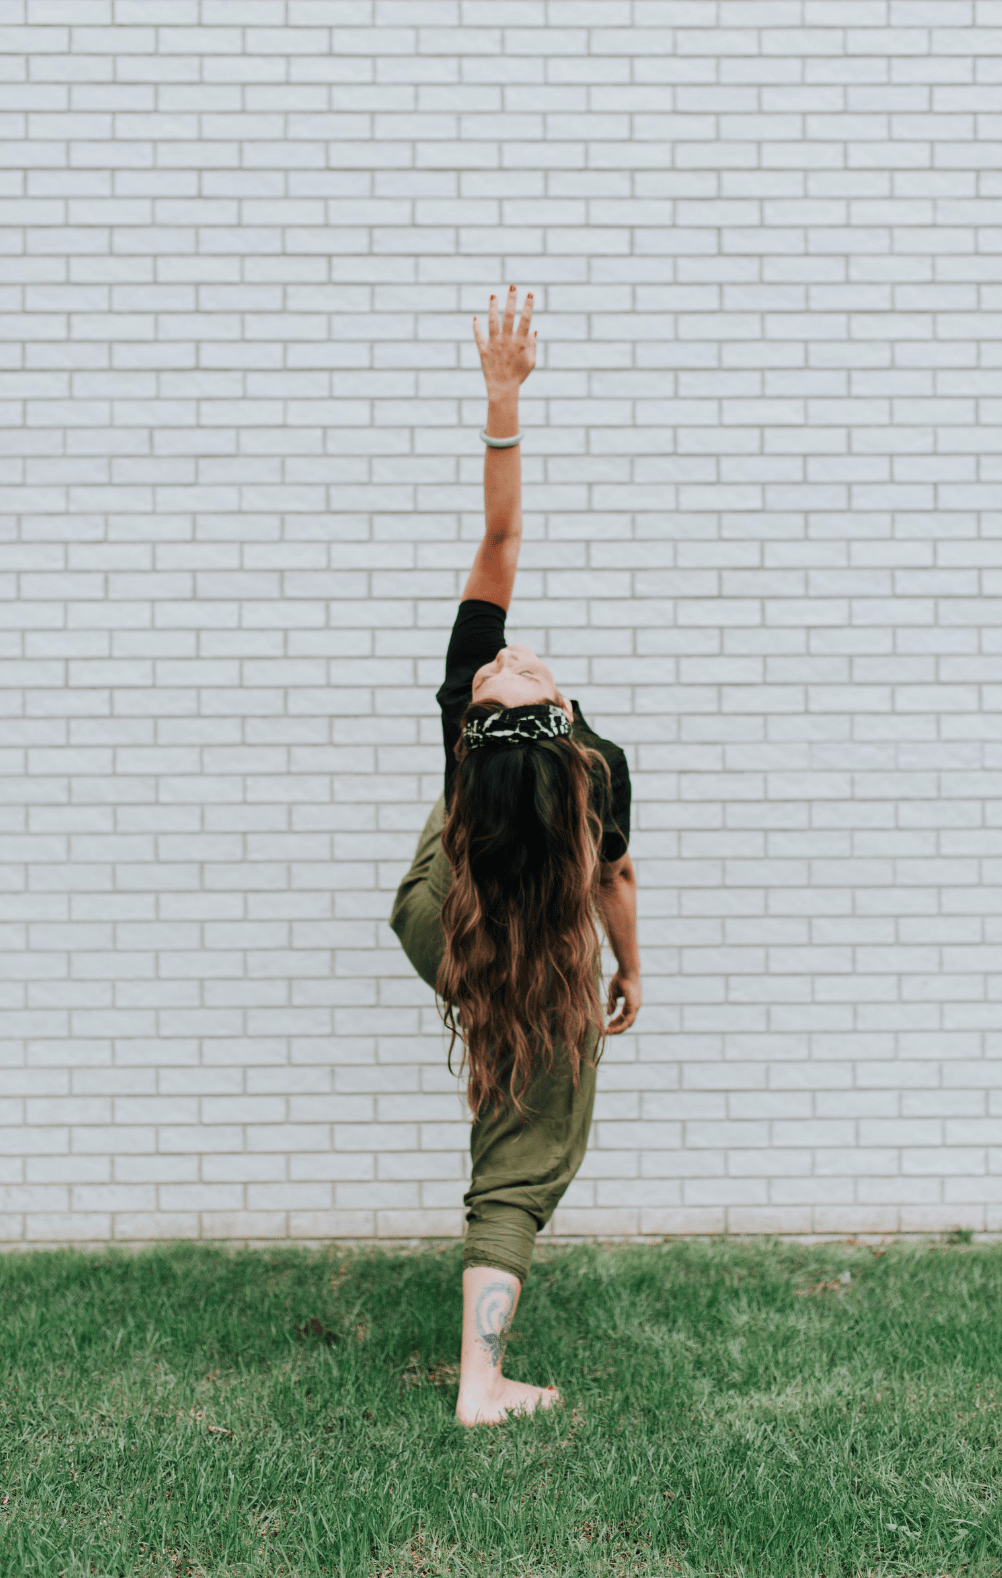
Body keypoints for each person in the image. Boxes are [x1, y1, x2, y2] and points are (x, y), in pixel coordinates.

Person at [389, 286, 642, 1427]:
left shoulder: (466, 716)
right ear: (557, 715)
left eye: (510, 663)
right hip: (502, 933)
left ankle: (482, 1377)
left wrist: (501, 403)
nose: (515, 652)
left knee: (515, 1081)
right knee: (531, 1144)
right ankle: (480, 1384)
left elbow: (498, 543)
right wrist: (625, 972)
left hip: (441, 923)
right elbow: (611, 881)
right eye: (519, 669)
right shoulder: (594, 762)